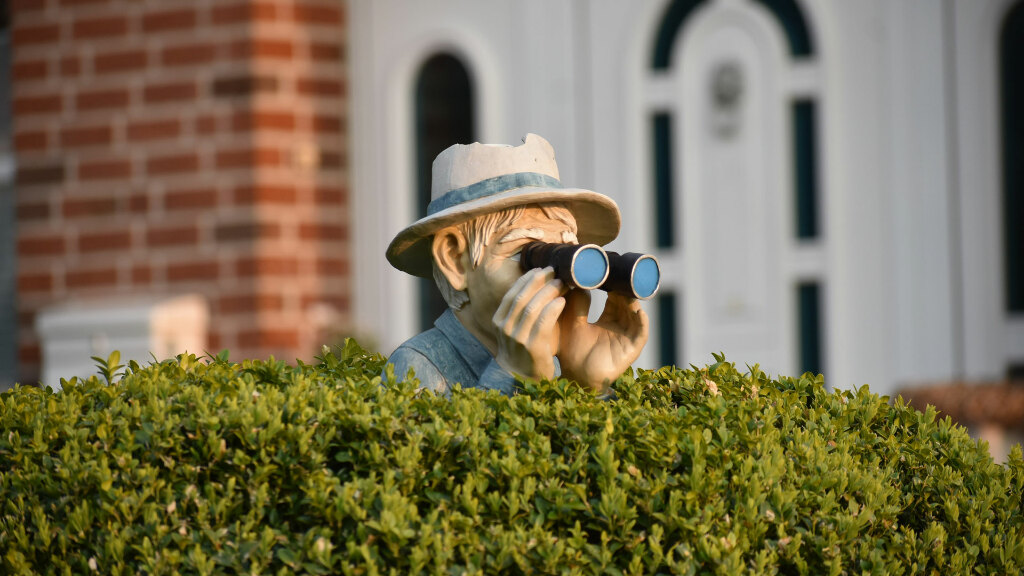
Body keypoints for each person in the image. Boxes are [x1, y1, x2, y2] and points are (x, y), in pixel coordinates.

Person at [385, 134, 649, 396]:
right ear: (454, 259)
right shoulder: (417, 366)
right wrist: (513, 375)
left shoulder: (555, 364)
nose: (561, 282)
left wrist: (587, 386)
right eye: (529, 254)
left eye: (568, 254)